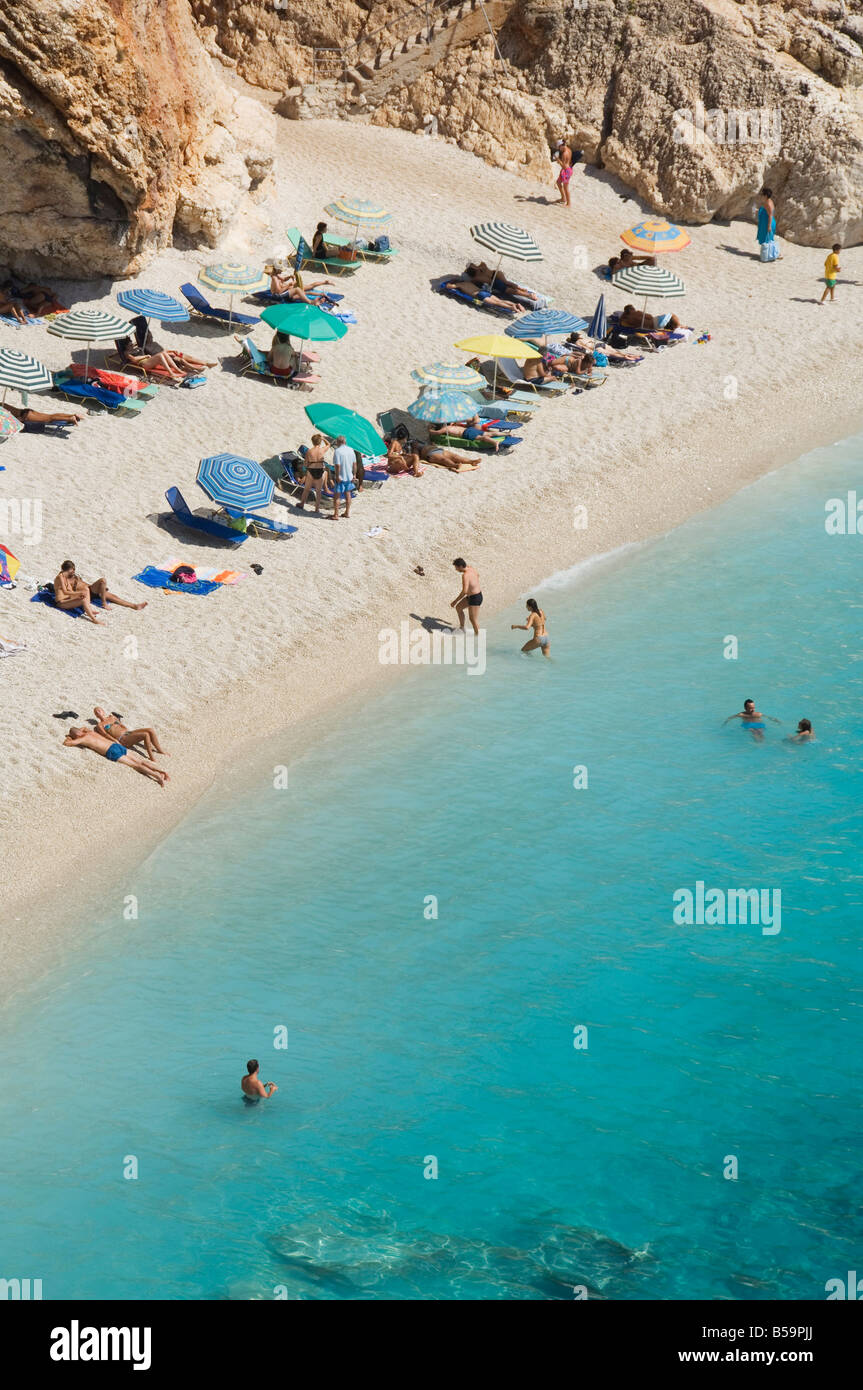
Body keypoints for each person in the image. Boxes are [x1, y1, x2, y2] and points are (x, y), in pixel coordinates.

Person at [63, 727, 169, 786]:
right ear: (80, 731)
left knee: (135, 765)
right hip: (115, 745)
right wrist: (77, 731)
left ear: (76, 735)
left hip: (111, 751)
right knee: (140, 761)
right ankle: (161, 771)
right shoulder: (89, 732)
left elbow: (67, 744)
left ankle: (157, 777)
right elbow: (83, 728)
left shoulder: (83, 738)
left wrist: (69, 737)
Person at [53, 560, 147, 624]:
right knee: (92, 591)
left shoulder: (73, 576)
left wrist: (99, 588)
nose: (74, 571)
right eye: (73, 570)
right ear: (69, 569)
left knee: (111, 593)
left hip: (90, 589)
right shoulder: (63, 578)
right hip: (81, 594)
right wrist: (79, 594)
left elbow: (79, 587)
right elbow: (66, 592)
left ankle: (134, 606)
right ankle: (98, 609)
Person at [93, 706, 167, 761]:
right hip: (122, 739)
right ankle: (152, 757)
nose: (98, 712)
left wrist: (125, 729)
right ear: (96, 716)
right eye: (96, 712)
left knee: (150, 730)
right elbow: (106, 735)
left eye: (99, 710)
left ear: (103, 711)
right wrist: (115, 741)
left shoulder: (112, 717)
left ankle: (160, 750)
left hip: (127, 733)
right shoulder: (100, 725)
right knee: (145, 734)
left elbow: (120, 725)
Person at [298, 433, 329, 512]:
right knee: (318, 491)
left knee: (306, 489)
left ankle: (302, 504)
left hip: (311, 470)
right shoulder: (322, 450)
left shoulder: (309, 451)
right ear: (320, 442)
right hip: (320, 471)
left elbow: (305, 464)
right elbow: (328, 444)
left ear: (312, 442)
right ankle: (316, 509)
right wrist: (323, 438)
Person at [451, 557, 482, 635]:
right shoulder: (471, 568)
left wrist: (455, 601)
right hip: (472, 596)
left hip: (475, 598)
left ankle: (478, 637)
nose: (456, 570)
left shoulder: (465, 575)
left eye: (456, 568)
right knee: (458, 608)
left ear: (461, 566)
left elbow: (464, 591)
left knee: (473, 620)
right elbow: (478, 575)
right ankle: (462, 628)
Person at [331, 435, 355, 520]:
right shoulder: (351, 450)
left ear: (338, 442)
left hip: (341, 476)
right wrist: (354, 475)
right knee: (348, 494)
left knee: (337, 496)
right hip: (349, 476)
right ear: (345, 442)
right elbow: (354, 464)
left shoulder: (337, 451)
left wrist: (337, 476)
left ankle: (336, 514)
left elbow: (337, 465)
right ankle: (347, 512)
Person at [757, 187, 781, 263]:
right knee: (769, 239)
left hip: (768, 223)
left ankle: (775, 254)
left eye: (762, 194)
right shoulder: (769, 201)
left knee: (767, 240)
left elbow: (770, 215)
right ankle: (773, 254)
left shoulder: (768, 203)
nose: (761, 195)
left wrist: (769, 226)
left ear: (765, 195)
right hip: (768, 222)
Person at [6, 404, 82, 427]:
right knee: (51, 416)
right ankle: (71, 415)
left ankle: (70, 418)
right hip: (27, 411)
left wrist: (20, 420)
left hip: (25, 415)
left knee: (50, 418)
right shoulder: (3, 404)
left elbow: (16, 420)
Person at [554, 138, 573, 208]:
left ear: (561, 146)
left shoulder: (565, 153)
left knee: (566, 187)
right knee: (558, 182)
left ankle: (569, 203)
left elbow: (564, 166)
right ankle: (563, 198)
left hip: (566, 171)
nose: (559, 149)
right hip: (567, 169)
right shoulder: (569, 149)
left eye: (559, 148)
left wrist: (557, 159)